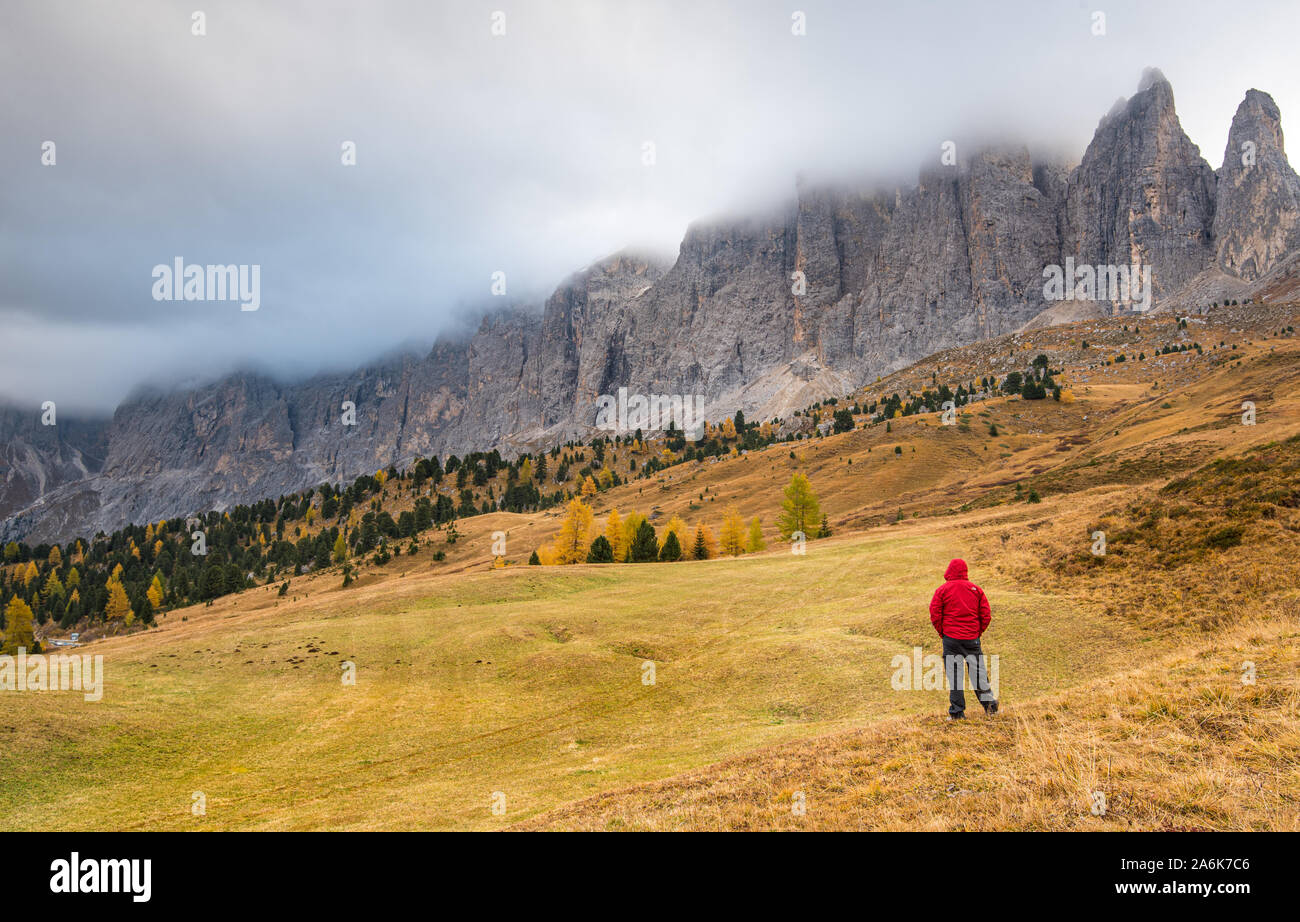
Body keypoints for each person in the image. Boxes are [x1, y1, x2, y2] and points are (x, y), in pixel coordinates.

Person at [929, 558, 998, 719]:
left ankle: (957, 712)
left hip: (951, 639)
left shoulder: (942, 590)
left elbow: (935, 614)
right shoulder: (976, 589)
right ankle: (991, 708)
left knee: (955, 677)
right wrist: (977, 632)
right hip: (971, 639)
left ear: (949, 571)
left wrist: (943, 633)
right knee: (979, 674)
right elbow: (986, 615)